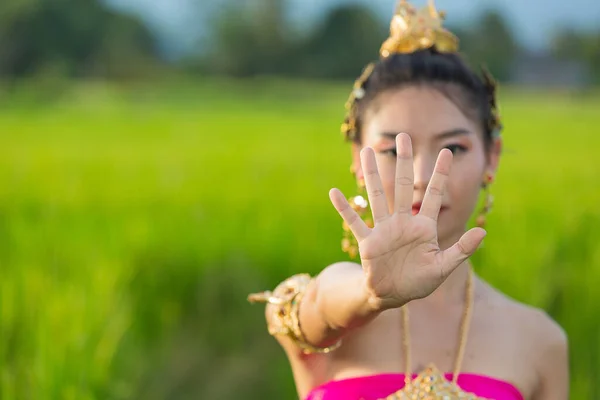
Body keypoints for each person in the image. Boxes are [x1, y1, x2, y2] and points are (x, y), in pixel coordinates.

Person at [248, 1, 569, 399]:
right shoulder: (337, 313)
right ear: (357, 159)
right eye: (393, 152)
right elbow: (321, 305)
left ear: (492, 156)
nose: (420, 177)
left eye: (452, 148)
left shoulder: (539, 341)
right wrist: (369, 295)